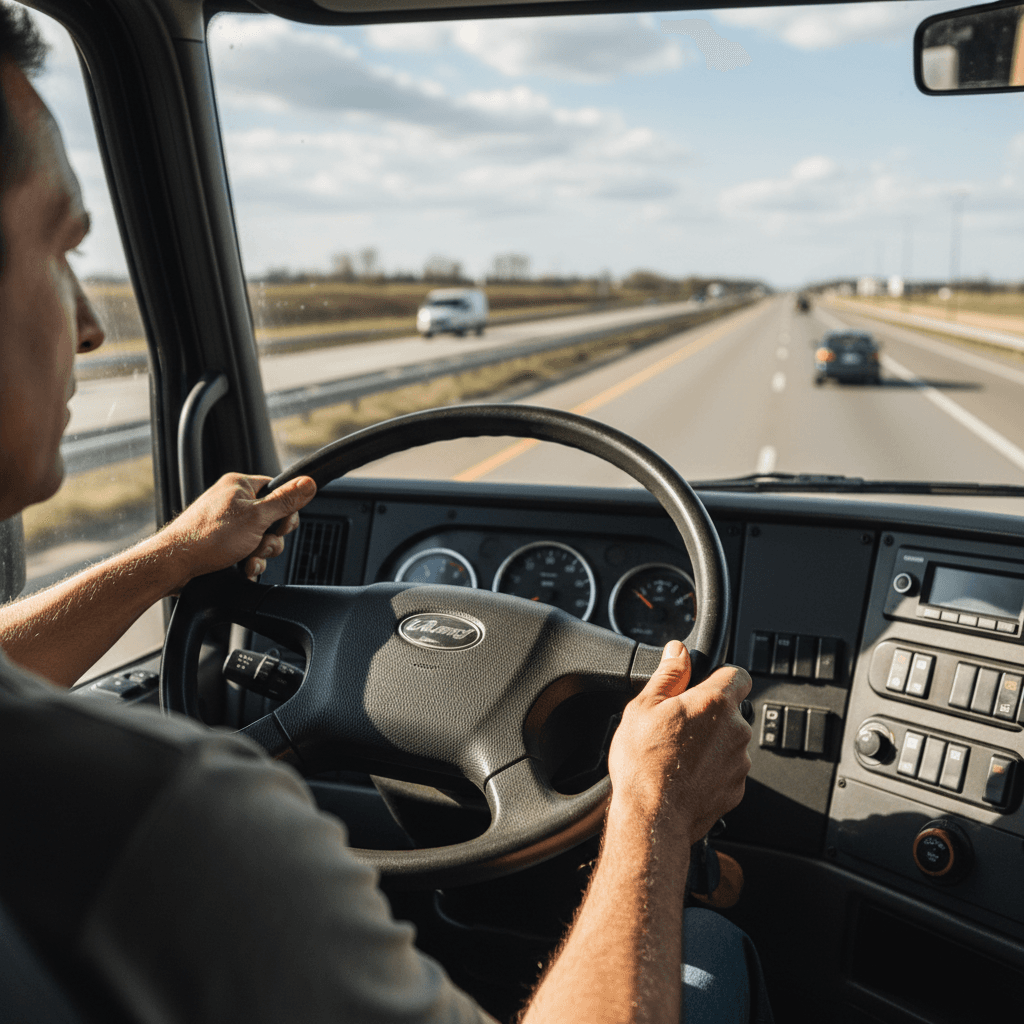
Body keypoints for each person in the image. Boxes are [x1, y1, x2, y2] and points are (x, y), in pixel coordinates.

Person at [0, 6, 771, 1022]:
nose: (92, 325)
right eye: (60, 247)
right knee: (709, 947)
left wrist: (170, 559)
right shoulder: (175, 819)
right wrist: (653, 813)